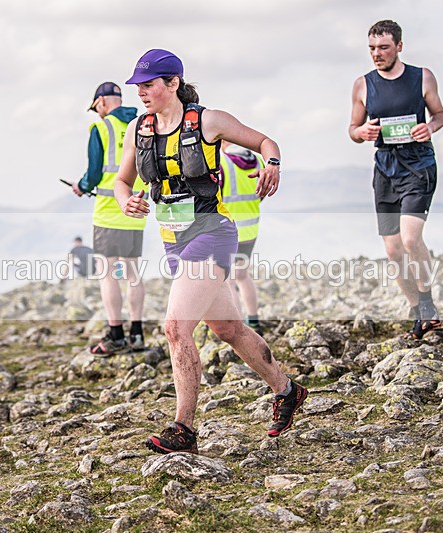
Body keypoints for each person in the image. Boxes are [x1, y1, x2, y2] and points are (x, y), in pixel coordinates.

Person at [114, 49, 308, 454]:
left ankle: (183, 429)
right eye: (138, 86)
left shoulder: (208, 121)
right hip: (173, 238)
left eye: (148, 85)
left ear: (172, 83)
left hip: (212, 232)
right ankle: (288, 391)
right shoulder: (138, 129)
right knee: (228, 329)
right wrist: (125, 200)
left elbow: (265, 141)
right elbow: (122, 180)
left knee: (175, 327)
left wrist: (272, 162)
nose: (141, 93)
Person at [348, 20, 443, 339]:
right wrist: (361, 133)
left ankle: (429, 304)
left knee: (410, 239)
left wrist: (429, 127)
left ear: (399, 47)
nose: (377, 54)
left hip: (418, 166)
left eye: (384, 48)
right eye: (372, 49)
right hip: (385, 170)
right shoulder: (362, 84)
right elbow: (352, 129)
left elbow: (440, 115)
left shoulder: (423, 77)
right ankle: (418, 312)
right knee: (392, 250)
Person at [71, 82, 147, 355]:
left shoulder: (101, 128)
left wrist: (81, 186)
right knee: (133, 273)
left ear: (101, 102)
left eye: (96, 108)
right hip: (137, 208)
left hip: (108, 210)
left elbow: (94, 172)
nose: (97, 113)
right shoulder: (142, 124)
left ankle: (116, 334)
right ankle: (137, 334)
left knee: (107, 273)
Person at [220, 141, 264, 334]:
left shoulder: (221, 161)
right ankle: (254, 321)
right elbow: (262, 192)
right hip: (251, 228)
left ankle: (238, 329)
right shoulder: (258, 161)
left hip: (228, 229)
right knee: (243, 275)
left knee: (228, 280)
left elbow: (215, 195)